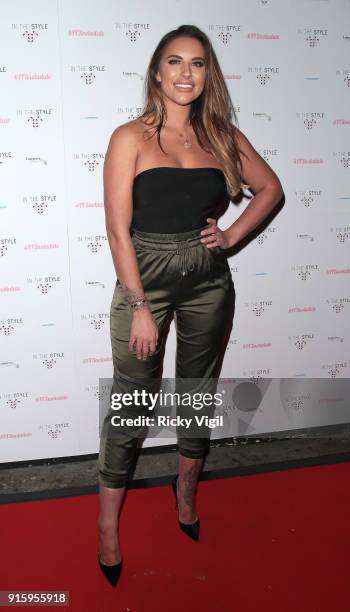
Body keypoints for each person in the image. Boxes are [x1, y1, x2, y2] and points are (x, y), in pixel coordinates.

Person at [97, 24, 283, 587]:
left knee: (198, 391)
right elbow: (116, 231)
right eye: (174, 62)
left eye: (197, 63)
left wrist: (230, 236)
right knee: (134, 402)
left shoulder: (222, 135)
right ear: (157, 71)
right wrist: (140, 305)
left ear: (208, 74)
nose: (185, 73)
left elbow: (271, 189)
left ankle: (186, 492)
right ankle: (108, 523)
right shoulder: (130, 136)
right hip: (144, 279)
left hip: (208, 281)